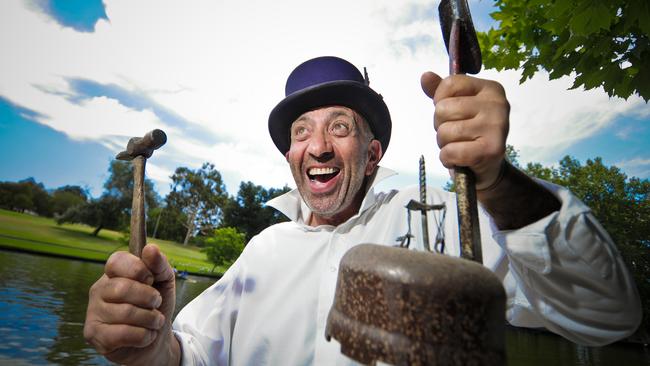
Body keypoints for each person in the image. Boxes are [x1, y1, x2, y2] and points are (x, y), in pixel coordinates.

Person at [83, 56, 642, 365]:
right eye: (301, 133)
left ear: (373, 154)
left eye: (339, 127)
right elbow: (191, 356)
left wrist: (498, 183)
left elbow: (605, 317)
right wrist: (147, 343)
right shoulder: (263, 252)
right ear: (290, 156)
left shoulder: (438, 218)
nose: (318, 146)